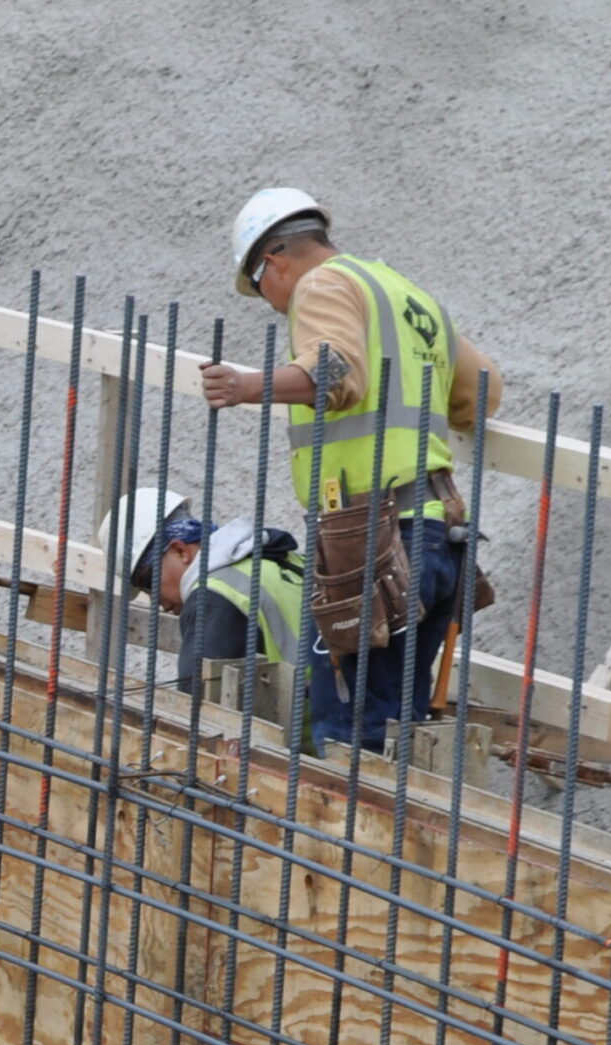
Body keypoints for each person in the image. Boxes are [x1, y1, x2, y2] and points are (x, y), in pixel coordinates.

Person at [199, 189, 502, 753]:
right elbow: (481, 392)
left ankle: (340, 842)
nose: (270, 304)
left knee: (345, 740)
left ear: (274, 262)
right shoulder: (405, 293)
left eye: (260, 287)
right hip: (440, 533)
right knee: (392, 733)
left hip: (373, 542)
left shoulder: (321, 285)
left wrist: (248, 387)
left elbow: (334, 371)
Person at [109, 487, 309, 702]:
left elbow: (196, 715)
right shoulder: (278, 559)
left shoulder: (212, 598)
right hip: (338, 722)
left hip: (305, 732)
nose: (159, 603)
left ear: (180, 551)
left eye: (149, 583)